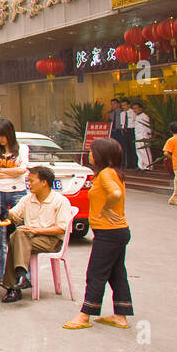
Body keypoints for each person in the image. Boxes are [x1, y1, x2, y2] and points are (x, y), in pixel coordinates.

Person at [64, 136, 133, 330]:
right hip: (116, 232)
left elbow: (115, 194)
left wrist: (105, 209)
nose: (90, 155)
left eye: (93, 152)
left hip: (109, 233)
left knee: (96, 273)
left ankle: (85, 315)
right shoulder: (114, 173)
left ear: (102, 155)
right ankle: (121, 315)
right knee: (116, 274)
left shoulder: (106, 174)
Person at [1, 165, 73, 302]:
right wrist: (3, 212)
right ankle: (21, 277)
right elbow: (15, 215)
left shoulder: (60, 201)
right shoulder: (27, 199)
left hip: (51, 240)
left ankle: (13, 287)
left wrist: (37, 230)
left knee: (16, 237)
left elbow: (61, 228)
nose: (28, 184)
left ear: (44, 182)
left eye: (31, 181)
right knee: (18, 236)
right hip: (28, 238)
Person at [117, 98, 138, 170]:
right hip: (125, 131)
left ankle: (134, 164)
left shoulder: (133, 112)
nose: (123, 107)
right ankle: (128, 164)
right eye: (122, 105)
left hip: (132, 130)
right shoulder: (122, 113)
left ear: (129, 105)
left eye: (125, 105)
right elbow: (122, 123)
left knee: (133, 148)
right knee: (127, 148)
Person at [130, 101, 152, 169]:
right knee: (139, 151)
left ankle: (148, 166)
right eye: (133, 108)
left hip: (143, 136)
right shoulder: (137, 117)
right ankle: (141, 166)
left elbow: (147, 127)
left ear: (141, 108)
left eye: (136, 108)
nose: (134, 110)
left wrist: (148, 136)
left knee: (145, 151)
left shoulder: (144, 116)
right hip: (138, 136)